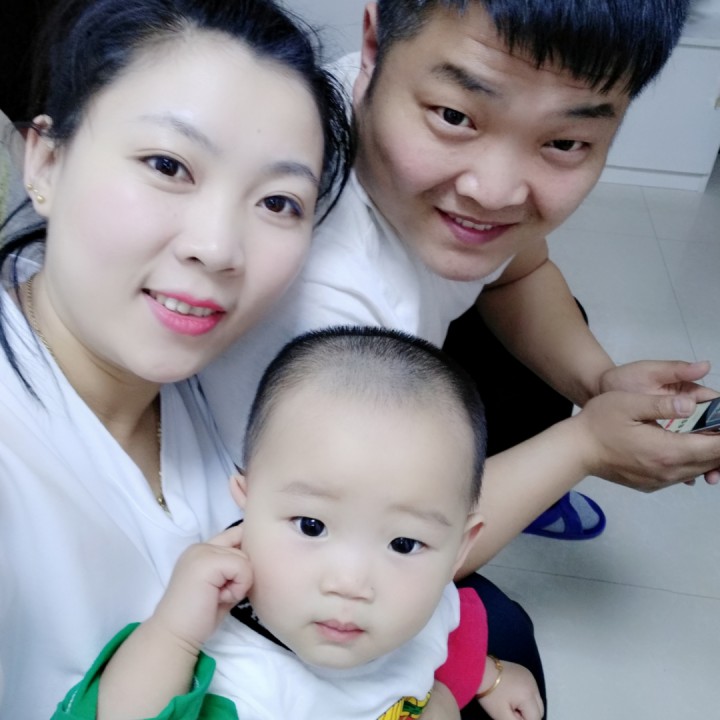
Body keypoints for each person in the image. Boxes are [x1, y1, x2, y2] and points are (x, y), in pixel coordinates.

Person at [200, 0, 720, 566]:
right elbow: (366, 546)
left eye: (564, 142)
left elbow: (519, 273)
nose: (495, 193)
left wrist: (600, 384)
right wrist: (583, 447)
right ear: (375, 44)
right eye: (454, 116)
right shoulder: (320, 299)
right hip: (298, 522)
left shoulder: (383, 81)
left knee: (547, 329)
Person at [0, 0, 354, 716]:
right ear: (46, 160)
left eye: (278, 203)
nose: (218, 248)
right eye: (168, 165)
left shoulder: (237, 382)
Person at [54, 327, 545, 720]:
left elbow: (437, 639)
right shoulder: (229, 673)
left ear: (459, 547)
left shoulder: (423, 602)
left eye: (402, 543)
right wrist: (174, 633)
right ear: (247, 502)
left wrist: (485, 677)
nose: (350, 583)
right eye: (311, 526)